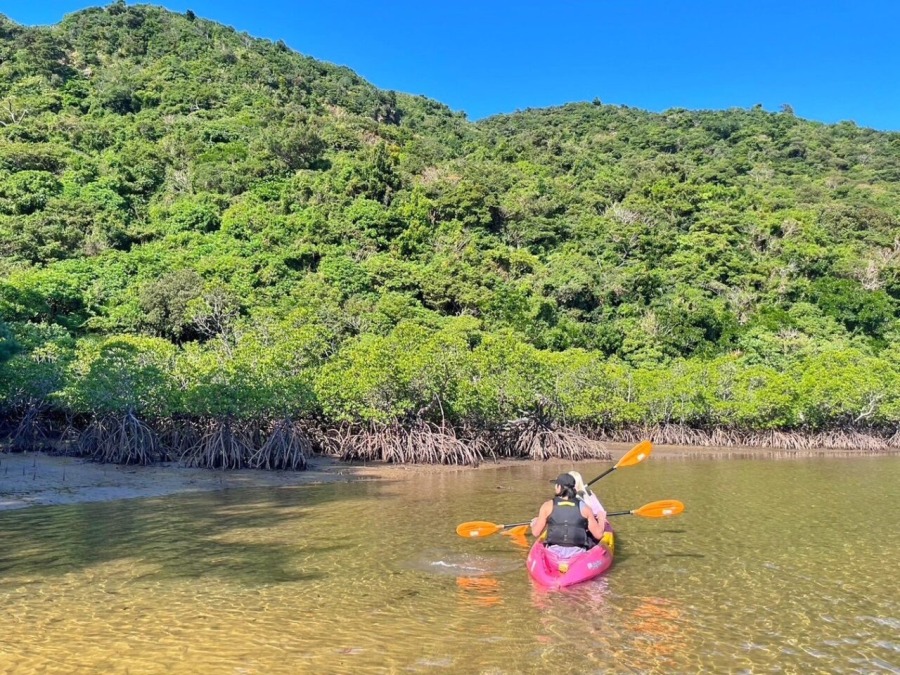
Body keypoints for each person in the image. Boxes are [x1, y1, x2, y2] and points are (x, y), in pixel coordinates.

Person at [530, 473, 606, 559]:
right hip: (577, 552)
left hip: (553, 551)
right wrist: (601, 518)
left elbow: (535, 533)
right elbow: (599, 535)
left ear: (559, 487)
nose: (555, 487)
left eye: (556, 485)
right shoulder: (585, 508)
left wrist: (534, 523)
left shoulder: (547, 506)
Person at [569, 470, 608, 549]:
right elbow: (600, 511)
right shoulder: (587, 494)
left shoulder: (584, 496)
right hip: (584, 530)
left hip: (585, 529)